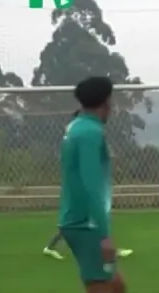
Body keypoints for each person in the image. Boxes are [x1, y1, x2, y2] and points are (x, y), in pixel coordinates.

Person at [42, 77, 130, 293]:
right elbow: (93, 185)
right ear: (106, 103)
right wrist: (104, 235)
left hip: (77, 221)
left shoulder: (76, 128)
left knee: (115, 290)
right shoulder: (91, 133)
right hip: (88, 224)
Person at [43, 110, 134, 260]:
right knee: (89, 216)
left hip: (83, 183)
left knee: (83, 218)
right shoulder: (79, 134)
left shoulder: (76, 134)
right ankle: (106, 248)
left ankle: (52, 247)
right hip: (84, 185)